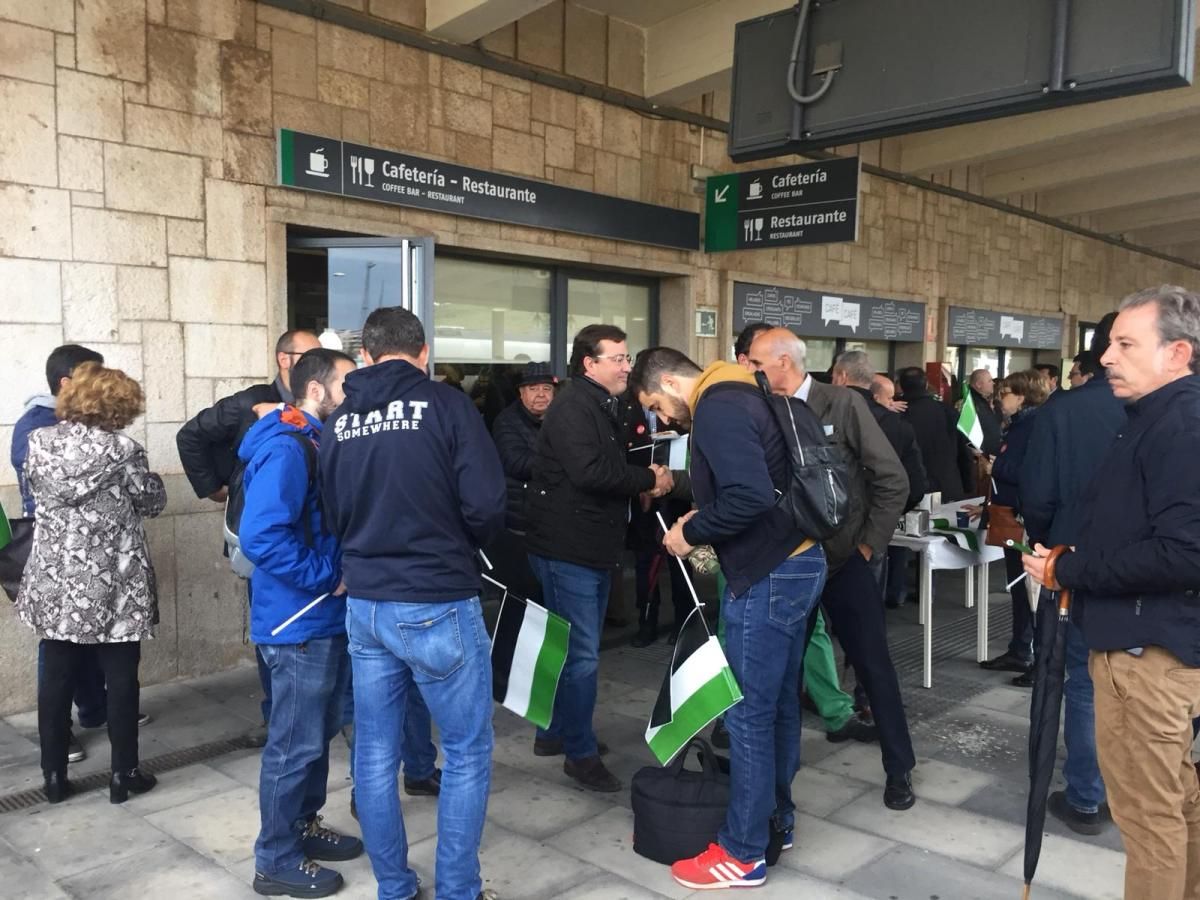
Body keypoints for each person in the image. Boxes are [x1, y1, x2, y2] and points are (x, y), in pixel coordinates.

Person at [321, 307, 506, 900]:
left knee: (375, 753)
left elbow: (332, 513)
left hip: (368, 604)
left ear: (369, 356)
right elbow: (487, 503)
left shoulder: (339, 422)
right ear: (422, 353)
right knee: (468, 750)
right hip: (436, 599)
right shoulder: (447, 406)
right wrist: (459, 547)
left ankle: (395, 887)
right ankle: (458, 890)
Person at [1023, 286, 1200, 900]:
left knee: (1150, 820)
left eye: (1126, 344)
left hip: (1144, 652)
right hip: (1145, 643)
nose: (1107, 357)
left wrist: (1069, 568)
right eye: (1109, 343)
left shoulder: (1180, 424)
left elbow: (1185, 552)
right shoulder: (1155, 416)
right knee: (1176, 803)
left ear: (1178, 353)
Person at [630, 347, 828, 890]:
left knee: (746, 715)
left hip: (768, 574)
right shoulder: (747, 389)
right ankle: (775, 823)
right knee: (778, 704)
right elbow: (755, 487)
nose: (664, 419)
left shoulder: (717, 405)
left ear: (670, 381)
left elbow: (751, 496)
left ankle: (742, 853)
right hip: (798, 560)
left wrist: (688, 533)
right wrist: (706, 513)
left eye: (657, 405)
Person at [749, 329, 916, 809]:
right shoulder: (759, 407)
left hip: (843, 562)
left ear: (783, 361)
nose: (751, 370)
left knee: (873, 665)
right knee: (779, 672)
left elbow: (892, 479)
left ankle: (899, 768)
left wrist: (868, 547)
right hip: (786, 564)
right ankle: (773, 782)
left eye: (757, 362)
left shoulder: (840, 404)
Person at [524, 324, 670, 792]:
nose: (627, 366)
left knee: (568, 647)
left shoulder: (600, 402)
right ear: (590, 363)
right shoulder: (573, 406)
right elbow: (591, 472)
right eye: (619, 358)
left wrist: (643, 478)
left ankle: (555, 733)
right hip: (569, 547)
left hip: (589, 544)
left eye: (627, 358)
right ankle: (580, 755)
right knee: (582, 655)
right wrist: (647, 479)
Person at [237, 349, 362, 897]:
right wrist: (325, 575)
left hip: (319, 618)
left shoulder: (312, 439)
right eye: (347, 386)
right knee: (293, 743)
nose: (354, 397)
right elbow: (262, 535)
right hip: (297, 622)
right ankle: (275, 858)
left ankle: (302, 826)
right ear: (317, 390)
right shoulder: (289, 448)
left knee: (313, 736)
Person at [16, 363, 166, 804]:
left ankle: (54, 778)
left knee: (56, 676)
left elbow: (38, 492)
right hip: (115, 581)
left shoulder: (38, 442)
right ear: (119, 407)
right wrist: (151, 483)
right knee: (121, 677)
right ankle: (124, 776)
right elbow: (149, 501)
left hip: (56, 578)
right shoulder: (124, 450)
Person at [177, 329, 322, 735]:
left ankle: (311, 712)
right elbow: (189, 436)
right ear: (284, 359)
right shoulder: (247, 402)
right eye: (311, 354)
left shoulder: (321, 403)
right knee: (271, 625)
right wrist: (213, 487)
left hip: (311, 537)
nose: (319, 362)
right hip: (264, 537)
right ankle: (275, 712)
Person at [1020, 313, 1123, 836]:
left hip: (1075, 565)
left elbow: (1036, 496)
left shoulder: (1065, 412)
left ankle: (1086, 795)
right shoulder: (1173, 410)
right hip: (1158, 577)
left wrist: (1044, 545)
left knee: (1081, 681)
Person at [11, 344, 110, 765]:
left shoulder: (84, 423)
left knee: (86, 637)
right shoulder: (35, 426)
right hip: (53, 548)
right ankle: (56, 731)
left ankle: (93, 709)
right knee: (58, 641)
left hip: (89, 550)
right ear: (66, 383)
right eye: (94, 378)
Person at [978, 370, 1050, 686]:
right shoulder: (1019, 424)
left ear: (1021, 396)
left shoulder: (1035, 425)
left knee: (1029, 589)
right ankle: (1020, 648)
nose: (999, 398)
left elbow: (1032, 469)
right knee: (1018, 588)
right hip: (1008, 512)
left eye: (1005, 392)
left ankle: (1034, 654)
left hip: (1023, 518)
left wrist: (998, 467)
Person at [967, 368, 1003, 457]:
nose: (993, 383)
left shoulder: (984, 401)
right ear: (979, 384)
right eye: (990, 381)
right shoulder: (969, 403)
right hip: (979, 458)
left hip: (989, 455)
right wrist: (978, 455)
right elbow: (965, 432)